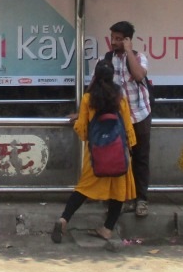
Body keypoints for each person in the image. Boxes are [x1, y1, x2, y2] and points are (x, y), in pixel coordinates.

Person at [52, 61, 137, 243]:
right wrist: (130, 146)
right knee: (118, 190)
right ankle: (107, 229)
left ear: (96, 76)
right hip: (118, 151)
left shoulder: (88, 98)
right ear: (112, 75)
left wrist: (78, 122)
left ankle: (64, 219)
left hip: (96, 154)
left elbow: (83, 129)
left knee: (83, 188)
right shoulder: (119, 97)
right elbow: (127, 125)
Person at [105, 20, 153, 217]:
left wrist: (129, 52)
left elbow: (139, 75)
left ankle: (141, 200)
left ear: (127, 40)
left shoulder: (139, 58)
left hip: (140, 115)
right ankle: (123, 199)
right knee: (121, 159)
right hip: (118, 119)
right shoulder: (106, 60)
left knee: (140, 158)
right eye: (112, 38)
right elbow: (96, 87)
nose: (113, 42)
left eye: (118, 39)